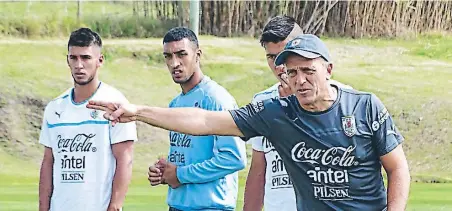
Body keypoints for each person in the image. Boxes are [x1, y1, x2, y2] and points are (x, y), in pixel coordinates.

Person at [87, 34, 411, 211]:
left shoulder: (364, 106)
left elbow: (397, 168)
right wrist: (138, 111)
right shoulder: (276, 113)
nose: (299, 80)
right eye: (291, 72)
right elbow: (203, 120)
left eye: (308, 71)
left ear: (329, 69)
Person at [244, 16, 353, 211]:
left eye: (284, 54)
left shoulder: (344, 100)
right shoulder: (262, 103)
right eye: (271, 57)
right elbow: (258, 169)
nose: (278, 67)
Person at [144, 27, 247, 211]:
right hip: (177, 205)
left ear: (197, 55)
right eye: (168, 56)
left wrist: (181, 174)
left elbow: (234, 158)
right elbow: (187, 154)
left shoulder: (216, 99)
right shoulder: (175, 104)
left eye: (181, 54)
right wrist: (165, 171)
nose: (174, 63)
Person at [38, 28, 138, 211]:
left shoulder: (115, 104)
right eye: (73, 58)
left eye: (85, 58)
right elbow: (48, 162)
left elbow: (125, 160)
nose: (79, 65)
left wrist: (115, 206)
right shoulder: (55, 108)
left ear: (100, 60)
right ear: (67, 60)